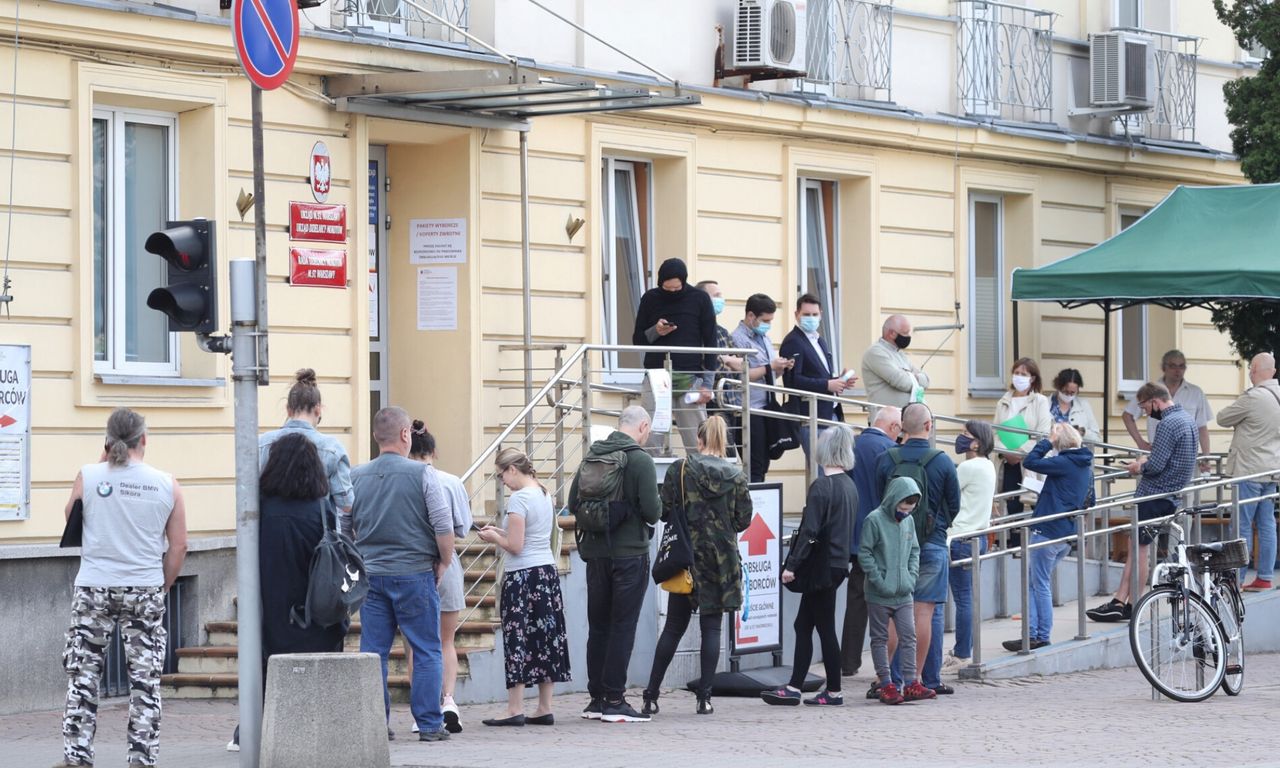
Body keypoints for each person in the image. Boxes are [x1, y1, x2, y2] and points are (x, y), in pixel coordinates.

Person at [60, 408, 188, 768]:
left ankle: (77, 757)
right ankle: (141, 759)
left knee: (83, 677)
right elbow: (179, 546)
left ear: (108, 440)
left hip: (94, 588)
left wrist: (102, 459)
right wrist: (161, 586)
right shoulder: (167, 484)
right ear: (144, 440)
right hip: (144, 587)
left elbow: (71, 518)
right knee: (145, 683)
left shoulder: (88, 476)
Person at [351, 407, 456, 742]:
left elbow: (343, 527)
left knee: (373, 653)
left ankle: (375, 724)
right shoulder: (422, 474)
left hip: (372, 575)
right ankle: (428, 724)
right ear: (405, 435)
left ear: (375, 437)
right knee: (426, 649)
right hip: (415, 573)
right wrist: (443, 561)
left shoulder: (356, 476)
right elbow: (442, 525)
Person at [642, 416, 752, 716]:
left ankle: (651, 695)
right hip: (722, 563)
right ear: (724, 441)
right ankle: (704, 698)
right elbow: (744, 520)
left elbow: (664, 511)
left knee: (674, 627)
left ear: (699, 440)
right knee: (712, 628)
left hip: (686, 560)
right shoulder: (736, 476)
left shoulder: (681, 469)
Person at [569, 405, 662, 723]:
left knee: (599, 627)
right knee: (623, 626)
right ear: (643, 426)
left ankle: (596, 699)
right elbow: (652, 512)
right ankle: (614, 699)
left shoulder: (593, 455)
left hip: (595, 555)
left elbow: (572, 503)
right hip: (629, 556)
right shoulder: (640, 460)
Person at [762, 426, 857, 707]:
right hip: (838, 565)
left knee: (823, 628)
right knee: (804, 624)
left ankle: (830, 691)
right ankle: (796, 686)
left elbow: (809, 531)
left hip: (820, 567)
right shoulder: (849, 486)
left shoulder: (822, 487)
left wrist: (791, 565)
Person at [1088, 382, 1198, 622]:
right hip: (1169, 494)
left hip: (1155, 494)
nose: (1146, 413)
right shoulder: (1186, 419)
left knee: (1138, 550)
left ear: (1155, 401)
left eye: (1145, 407)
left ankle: (1130, 603)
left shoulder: (1168, 423)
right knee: (1137, 547)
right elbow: (1170, 457)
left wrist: (1139, 466)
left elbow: (1157, 465)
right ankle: (1122, 601)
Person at [476, 448, 571, 727]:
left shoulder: (518, 499)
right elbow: (530, 536)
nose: (503, 481)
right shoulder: (543, 492)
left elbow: (516, 546)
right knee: (546, 637)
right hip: (546, 574)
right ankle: (544, 707)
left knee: (517, 637)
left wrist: (494, 538)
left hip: (522, 578)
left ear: (513, 470)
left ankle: (514, 707)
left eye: (502, 474)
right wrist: (500, 533)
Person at [874, 403, 960, 698]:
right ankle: (916, 681)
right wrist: (937, 527)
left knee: (893, 612)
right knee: (923, 613)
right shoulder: (942, 461)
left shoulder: (886, 459)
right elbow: (954, 504)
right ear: (928, 426)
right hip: (932, 544)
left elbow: (879, 501)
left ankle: (888, 680)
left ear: (902, 428)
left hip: (894, 544)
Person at [1003, 423, 1093, 651]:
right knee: (1037, 583)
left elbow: (1030, 462)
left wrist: (1047, 442)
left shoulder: (1064, 462)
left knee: (1039, 584)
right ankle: (1032, 634)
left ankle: (1041, 635)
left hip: (1049, 531)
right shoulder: (1085, 466)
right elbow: (1089, 501)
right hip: (1066, 533)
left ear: (1060, 444)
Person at [407, 422, 471, 733]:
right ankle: (448, 700)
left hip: (411, 565)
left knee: (414, 644)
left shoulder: (402, 480)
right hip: (447, 565)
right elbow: (462, 527)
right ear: (434, 452)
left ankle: (423, 710)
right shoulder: (451, 482)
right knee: (446, 641)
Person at [859, 478, 931, 705]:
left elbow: (914, 551)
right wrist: (879, 580)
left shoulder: (908, 522)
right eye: (902, 509)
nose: (905, 513)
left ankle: (911, 682)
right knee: (880, 639)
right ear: (893, 502)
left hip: (903, 592)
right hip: (879, 593)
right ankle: (886, 684)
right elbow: (865, 554)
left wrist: (911, 576)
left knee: (908, 636)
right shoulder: (874, 520)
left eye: (909, 510)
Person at [634, 258, 717, 454]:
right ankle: (648, 477)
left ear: (684, 283)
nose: (671, 293)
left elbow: (711, 341)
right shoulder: (650, 298)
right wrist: (656, 331)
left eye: (676, 289)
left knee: (696, 438)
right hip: (656, 376)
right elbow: (637, 340)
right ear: (660, 283)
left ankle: (702, 477)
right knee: (650, 437)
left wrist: (708, 383)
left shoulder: (699, 299)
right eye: (667, 289)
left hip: (690, 377)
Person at [841, 405, 901, 677]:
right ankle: (889, 665)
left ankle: (848, 661)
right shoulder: (888, 450)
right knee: (890, 600)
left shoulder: (853, 445)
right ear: (893, 428)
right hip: (882, 536)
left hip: (855, 535)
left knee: (856, 601)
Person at [259, 368, 355, 536]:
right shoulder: (332, 448)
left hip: (271, 534)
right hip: (318, 538)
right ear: (318, 409)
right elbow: (346, 504)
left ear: (288, 410)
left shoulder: (263, 443)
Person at [1215, 352, 1280, 591]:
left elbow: (1223, 418)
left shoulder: (1254, 397)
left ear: (1256, 370)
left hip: (1249, 471)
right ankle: (1264, 576)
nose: (1250, 373)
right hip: (1272, 471)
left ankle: (1236, 579)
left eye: (1251, 369)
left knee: (1241, 526)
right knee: (1267, 525)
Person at [942, 420, 997, 671]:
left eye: (966, 434)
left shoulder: (969, 466)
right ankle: (964, 650)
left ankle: (962, 653)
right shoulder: (988, 465)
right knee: (968, 598)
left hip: (961, 538)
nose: (960, 437)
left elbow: (946, 491)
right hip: (977, 537)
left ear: (976, 442)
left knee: (963, 599)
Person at [781, 293, 857, 464]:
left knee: (837, 467)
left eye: (815, 314)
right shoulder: (793, 341)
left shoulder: (820, 341)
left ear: (821, 314)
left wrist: (839, 381)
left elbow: (821, 376)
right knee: (821, 469)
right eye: (806, 314)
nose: (811, 318)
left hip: (830, 413)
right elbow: (793, 381)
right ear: (796, 315)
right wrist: (827, 384)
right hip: (811, 416)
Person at [730, 293, 794, 482]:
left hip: (767, 407)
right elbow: (742, 374)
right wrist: (770, 367)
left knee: (765, 461)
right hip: (749, 409)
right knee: (754, 464)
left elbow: (768, 373)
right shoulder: (737, 339)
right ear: (751, 316)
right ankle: (753, 506)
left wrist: (780, 368)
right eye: (765, 320)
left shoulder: (764, 338)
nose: (768, 324)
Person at [993, 358, 1053, 536]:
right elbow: (995, 433)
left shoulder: (1040, 401)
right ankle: (1013, 545)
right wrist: (1006, 453)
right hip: (1007, 461)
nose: (1019, 377)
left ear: (1032, 378)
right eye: (1016, 373)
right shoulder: (1003, 401)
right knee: (1011, 506)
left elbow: (1042, 434)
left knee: (1032, 504)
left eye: (1024, 374)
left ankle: (1029, 546)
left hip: (1029, 462)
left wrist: (1019, 453)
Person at [1122, 349, 1212, 460]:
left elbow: (1201, 427)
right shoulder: (1150, 390)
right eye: (1173, 366)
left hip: (1185, 455)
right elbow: (1127, 415)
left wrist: (1206, 457)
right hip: (1157, 452)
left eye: (1181, 366)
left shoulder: (1196, 392)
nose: (1177, 370)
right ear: (1163, 368)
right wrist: (1140, 443)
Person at [697, 279, 744, 456]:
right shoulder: (697, 331)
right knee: (719, 452)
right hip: (711, 404)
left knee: (729, 452)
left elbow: (742, 365)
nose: (721, 299)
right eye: (716, 296)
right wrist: (727, 361)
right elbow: (708, 364)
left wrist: (725, 360)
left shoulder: (723, 332)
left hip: (730, 403)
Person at [861, 314, 929, 418]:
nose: (908, 337)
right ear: (891, 333)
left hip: (908, 420)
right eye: (905, 333)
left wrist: (913, 377)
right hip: (886, 421)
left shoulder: (900, 354)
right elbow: (901, 382)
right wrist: (914, 377)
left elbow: (926, 381)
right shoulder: (875, 352)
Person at [1048, 368, 1101, 444]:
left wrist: (1083, 433)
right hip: (1051, 453)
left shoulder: (1084, 405)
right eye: (1065, 392)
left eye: (1073, 393)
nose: (1069, 395)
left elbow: (1097, 438)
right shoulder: (1045, 404)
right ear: (1058, 386)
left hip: (1077, 454)